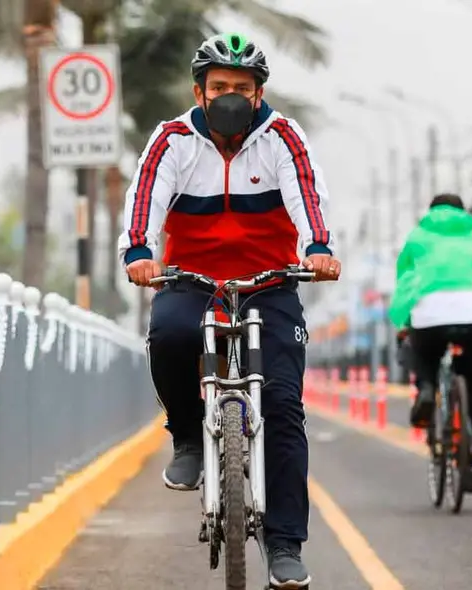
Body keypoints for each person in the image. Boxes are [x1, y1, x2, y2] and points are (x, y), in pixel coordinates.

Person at [118, 32, 340, 589]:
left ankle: (285, 545)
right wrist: (140, 252)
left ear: (260, 94)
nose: (231, 96)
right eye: (220, 87)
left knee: (285, 407)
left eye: (242, 87)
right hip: (192, 281)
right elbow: (144, 198)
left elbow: (307, 195)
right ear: (200, 91)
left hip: (271, 283)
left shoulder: (282, 138)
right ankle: (188, 435)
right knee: (168, 334)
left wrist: (318, 248)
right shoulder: (172, 141)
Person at [388, 193, 472, 491]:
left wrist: (403, 323)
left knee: (418, 351)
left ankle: (425, 387)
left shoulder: (418, 235)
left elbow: (405, 280)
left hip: (428, 315)